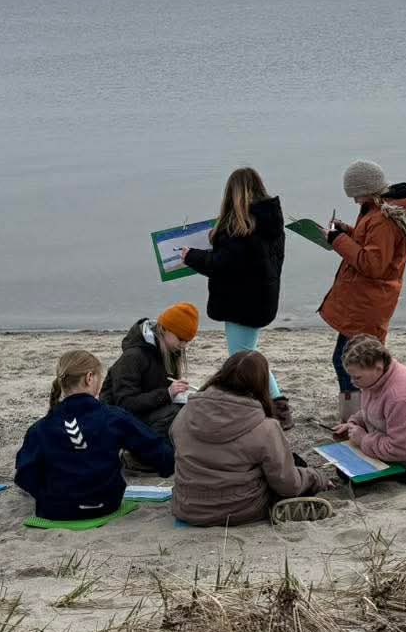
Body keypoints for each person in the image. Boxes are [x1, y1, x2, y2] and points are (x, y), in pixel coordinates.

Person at [319, 160, 406, 424]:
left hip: (367, 303)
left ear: (368, 189)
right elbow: (371, 244)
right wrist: (346, 231)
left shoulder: (383, 219)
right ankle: (362, 416)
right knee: (358, 361)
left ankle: (355, 420)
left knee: (349, 363)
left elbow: (373, 264)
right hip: (366, 301)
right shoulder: (378, 210)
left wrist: (337, 240)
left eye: (356, 194)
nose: (354, 200)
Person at [172, 351, 336, 526]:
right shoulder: (265, 427)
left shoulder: (186, 412)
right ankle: (285, 506)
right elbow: (288, 484)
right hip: (239, 509)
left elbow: (176, 445)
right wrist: (316, 477)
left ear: (222, 374)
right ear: (261, 383)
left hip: (187, 506)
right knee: (285, 472)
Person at [180, 166, 290, 419]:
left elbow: (222, 265)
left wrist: (191, 256)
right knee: (247, 353)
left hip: (241, 303)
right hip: (262, 299)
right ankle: (274, 403)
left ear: (232, 193)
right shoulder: (270, 222)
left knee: (243, 357)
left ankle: (278, 406)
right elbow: (241, 261)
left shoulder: (241, 229)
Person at [15, 349, 173, 522]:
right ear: (89, 378)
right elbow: (156, 450)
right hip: (106, 504)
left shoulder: (40, 428)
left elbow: (24, 475)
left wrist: (47, 494)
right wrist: (170, 466)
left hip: (56, 509)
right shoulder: (113, 417)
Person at [334, 335, 406, 479]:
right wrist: (353, 424)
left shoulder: (402, 398)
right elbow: (373, 410)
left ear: (378, 368)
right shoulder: (378, 377)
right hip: (393, 444)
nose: (352, 382)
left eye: (357, 377)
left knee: (345, 473)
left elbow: (401, 450)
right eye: (351, 376)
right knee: (342, 465)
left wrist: (363, 439)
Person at [101, 302, 199, 437]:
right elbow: (124, 403)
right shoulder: (133, 356)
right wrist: (167, 393)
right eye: (180, 338)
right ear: (164, 329)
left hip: (147, 412)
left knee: (193, 409)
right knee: (173, 415)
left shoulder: (170, 351)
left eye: (187, 341)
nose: (183, 345)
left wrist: (178, 393)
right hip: (117, 418)